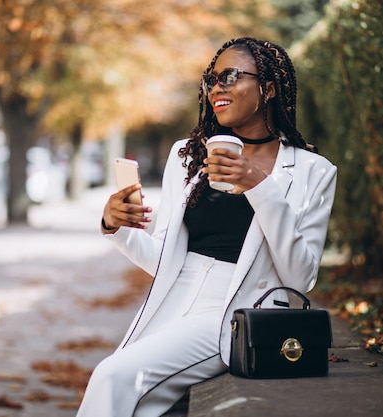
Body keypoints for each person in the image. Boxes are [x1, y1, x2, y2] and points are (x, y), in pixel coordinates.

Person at [76, 37, 337, 417]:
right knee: (137, 401)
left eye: (230, 76)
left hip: (237, 312)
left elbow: (300, 278)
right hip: (173, 302)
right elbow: (162, 259)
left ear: (268, 89)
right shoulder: (187, 157)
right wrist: (117, 225)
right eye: (211, 79)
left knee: (112, 377)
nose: (217, 87)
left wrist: (261, 187)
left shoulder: (313, 172)